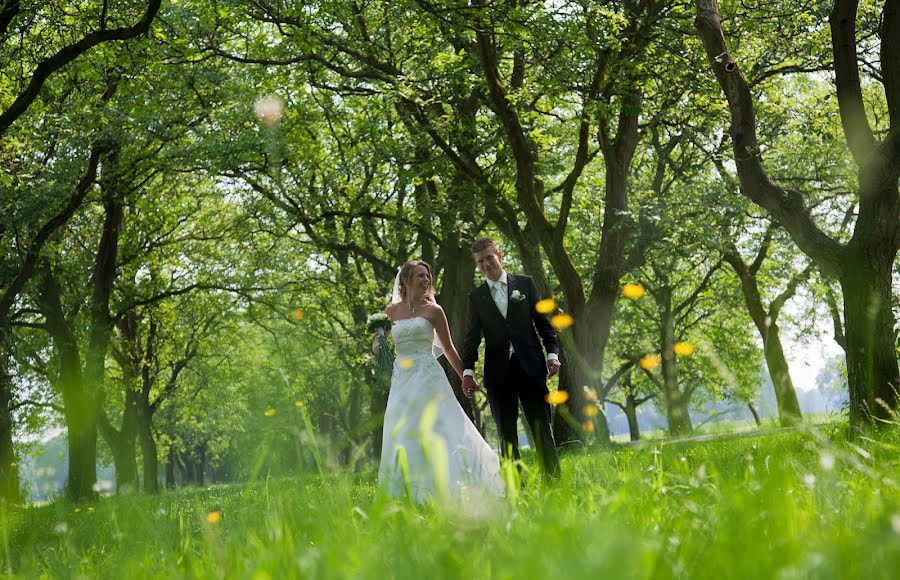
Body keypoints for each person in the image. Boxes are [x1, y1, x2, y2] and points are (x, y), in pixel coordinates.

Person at [376, 260, 504, 502]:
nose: (426, 280)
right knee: (403, 429)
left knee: (439, 426)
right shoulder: (390, 312)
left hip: (428, 377)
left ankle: (453, 485)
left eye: (427, 276)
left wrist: (465, 376)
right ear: (406, 281)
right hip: (402, 380)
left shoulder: (434, 311)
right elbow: (378, 347)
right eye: (420, 276)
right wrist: (379, 339)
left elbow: (448, 349)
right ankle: (407, 493)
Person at [461, 238, 562, 481]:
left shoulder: (525, 285)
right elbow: (472, 338)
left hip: (532, 368)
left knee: (542, 430)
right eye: (480, 261)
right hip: (498, 374)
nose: (485, 264)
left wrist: (552, 354)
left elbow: (544, 325)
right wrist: (467, 372)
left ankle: (554, 486)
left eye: (488, 258)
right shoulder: (476, 297)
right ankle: (517, 489)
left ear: (499, 255)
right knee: (507, 436)